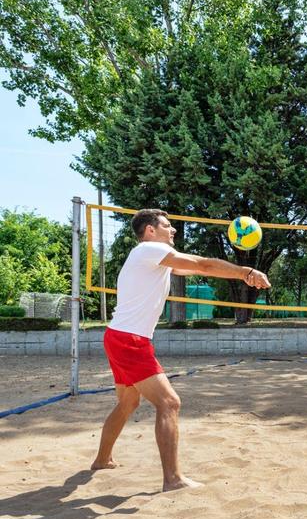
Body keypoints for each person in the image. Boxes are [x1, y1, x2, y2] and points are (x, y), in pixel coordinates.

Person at [91, 209, 270, 491]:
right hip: (129, 341)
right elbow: (202, 265)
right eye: (167, 225)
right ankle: (172, 479)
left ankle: (102, 460)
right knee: (169, 403)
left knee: (128, 403)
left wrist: (235, 275)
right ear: (150, 230)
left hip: (119, 337)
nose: (172, 230)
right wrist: (245, 272)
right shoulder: (149, 249)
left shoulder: (155, 259)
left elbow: (199, 267)